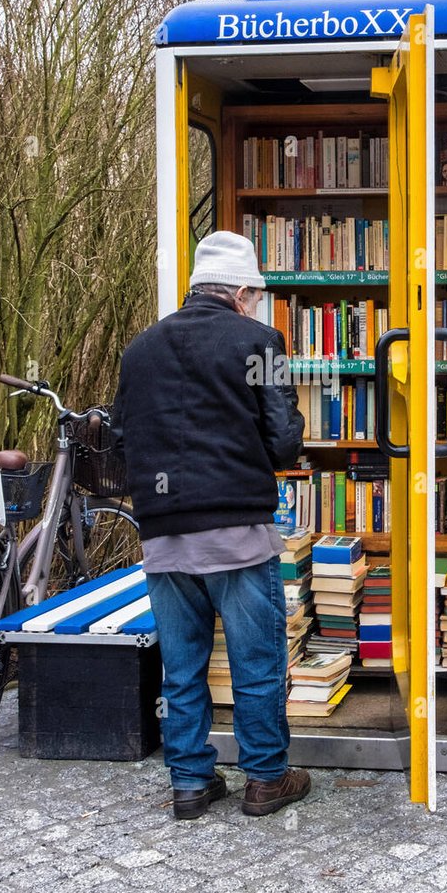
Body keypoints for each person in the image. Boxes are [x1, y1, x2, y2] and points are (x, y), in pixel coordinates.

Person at [111, 231, 310, 819]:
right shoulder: (256, 340)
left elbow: (123, 440)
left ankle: (191, 784)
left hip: (164, 537)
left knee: (182, 666)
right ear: (243, 292)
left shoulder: (139, 348)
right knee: (256, 662)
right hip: (237, 533)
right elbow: (282, 440)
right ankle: (267, 779)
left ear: (196, 286)